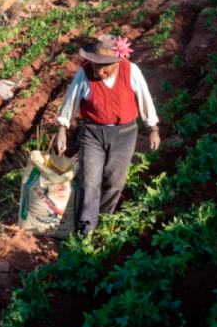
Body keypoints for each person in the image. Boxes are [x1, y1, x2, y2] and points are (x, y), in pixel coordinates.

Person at [55, 34, 161, 235]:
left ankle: (104, 219)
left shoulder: (131, 71)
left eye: (104, 68)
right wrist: (62, 128)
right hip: (92, 134)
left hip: (125, 134)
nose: (99, 72)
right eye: (95, 66)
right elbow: (70, 101)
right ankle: (84, 229)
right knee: (89, 182)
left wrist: (153, 129)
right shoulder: (84, 74)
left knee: (115, 182)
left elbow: (145, 99)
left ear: (117, 64)